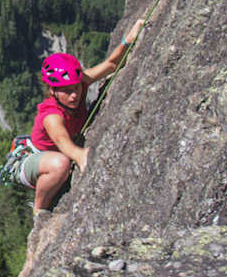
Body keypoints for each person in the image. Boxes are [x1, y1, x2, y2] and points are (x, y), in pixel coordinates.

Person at [20, 18, 145, 214]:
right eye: (66, 91)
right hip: (34, 159)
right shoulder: (51, 116)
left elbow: (112, 65)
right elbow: (63, 142)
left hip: (53, 154)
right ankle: (38, 211)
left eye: (76, 88)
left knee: (61, 161)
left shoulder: (80, 83)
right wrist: (80, 156)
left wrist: (128, 40)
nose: (74, 95)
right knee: (61, 164)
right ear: (52, 91)